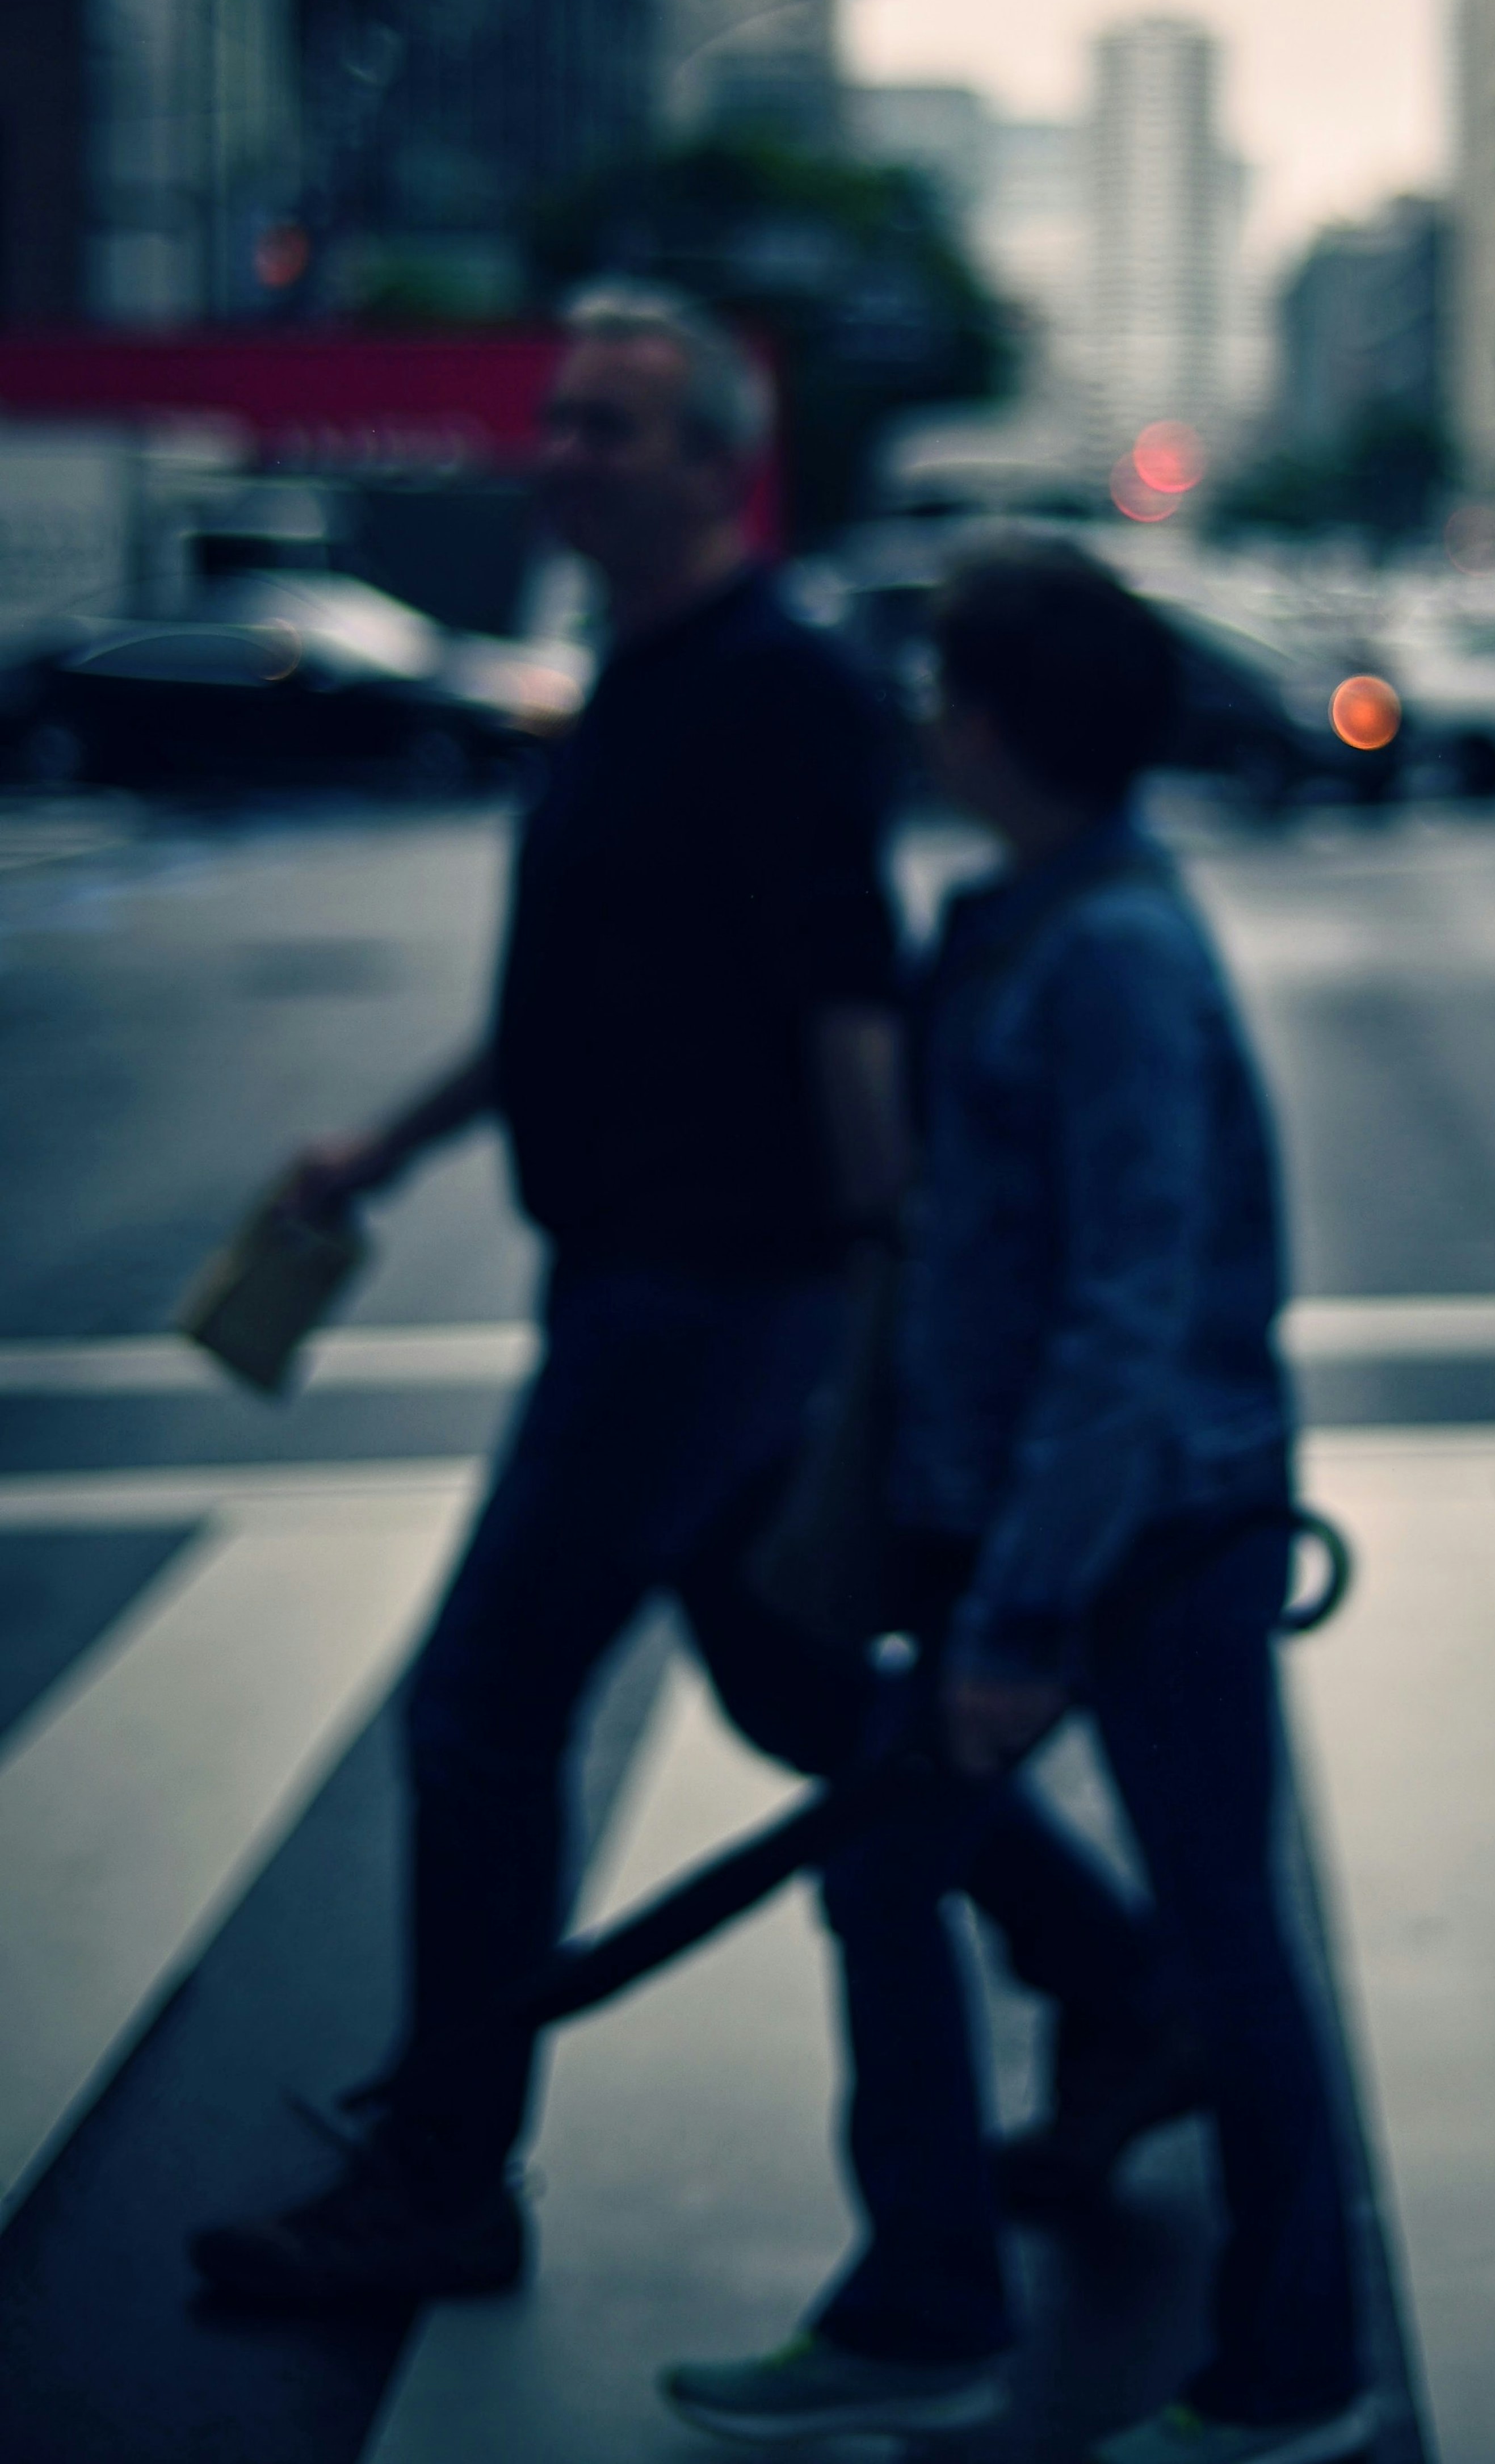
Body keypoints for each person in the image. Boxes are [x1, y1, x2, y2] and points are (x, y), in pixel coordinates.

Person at [191, 290, 1173, 2311]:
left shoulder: (775, 690)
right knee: (807, 1695)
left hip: (710, 1298)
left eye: (613, 427)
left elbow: (845, 1009)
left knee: (478, 1717)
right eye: (558, 418)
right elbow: (578, 1006)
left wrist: (888, 1320)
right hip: (638, 1273)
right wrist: (386, 1147)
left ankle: (441, 2177)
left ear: (719, 467)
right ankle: (1126, 1987)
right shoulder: (630, 680)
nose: (561, 451)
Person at [659, 543, 1368, 2464]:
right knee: (898, 1875)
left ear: (1001, 724)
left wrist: (1030, 1611)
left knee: (1224, 1933)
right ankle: (928, 2307)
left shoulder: (1113, 953)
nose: (923, 719)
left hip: (1151, 1537)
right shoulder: (1025, 918)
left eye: (949, 690)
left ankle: (1294, 2371)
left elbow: (1130, 1307)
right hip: (1047, 1528)